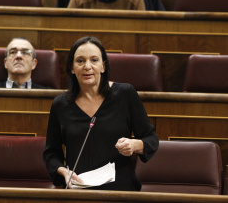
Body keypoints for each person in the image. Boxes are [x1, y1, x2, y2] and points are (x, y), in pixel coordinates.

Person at [43, 36, 158, 191]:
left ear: (103, 66)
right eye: (80, 61)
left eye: (94, 60)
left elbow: (151, 139)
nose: (87, 66)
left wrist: (134, 144)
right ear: (72, 67)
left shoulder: (125, 94)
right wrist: (64, 172)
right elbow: (51, 153)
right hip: (79, 190)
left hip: (120, 190)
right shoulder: (60, 104)